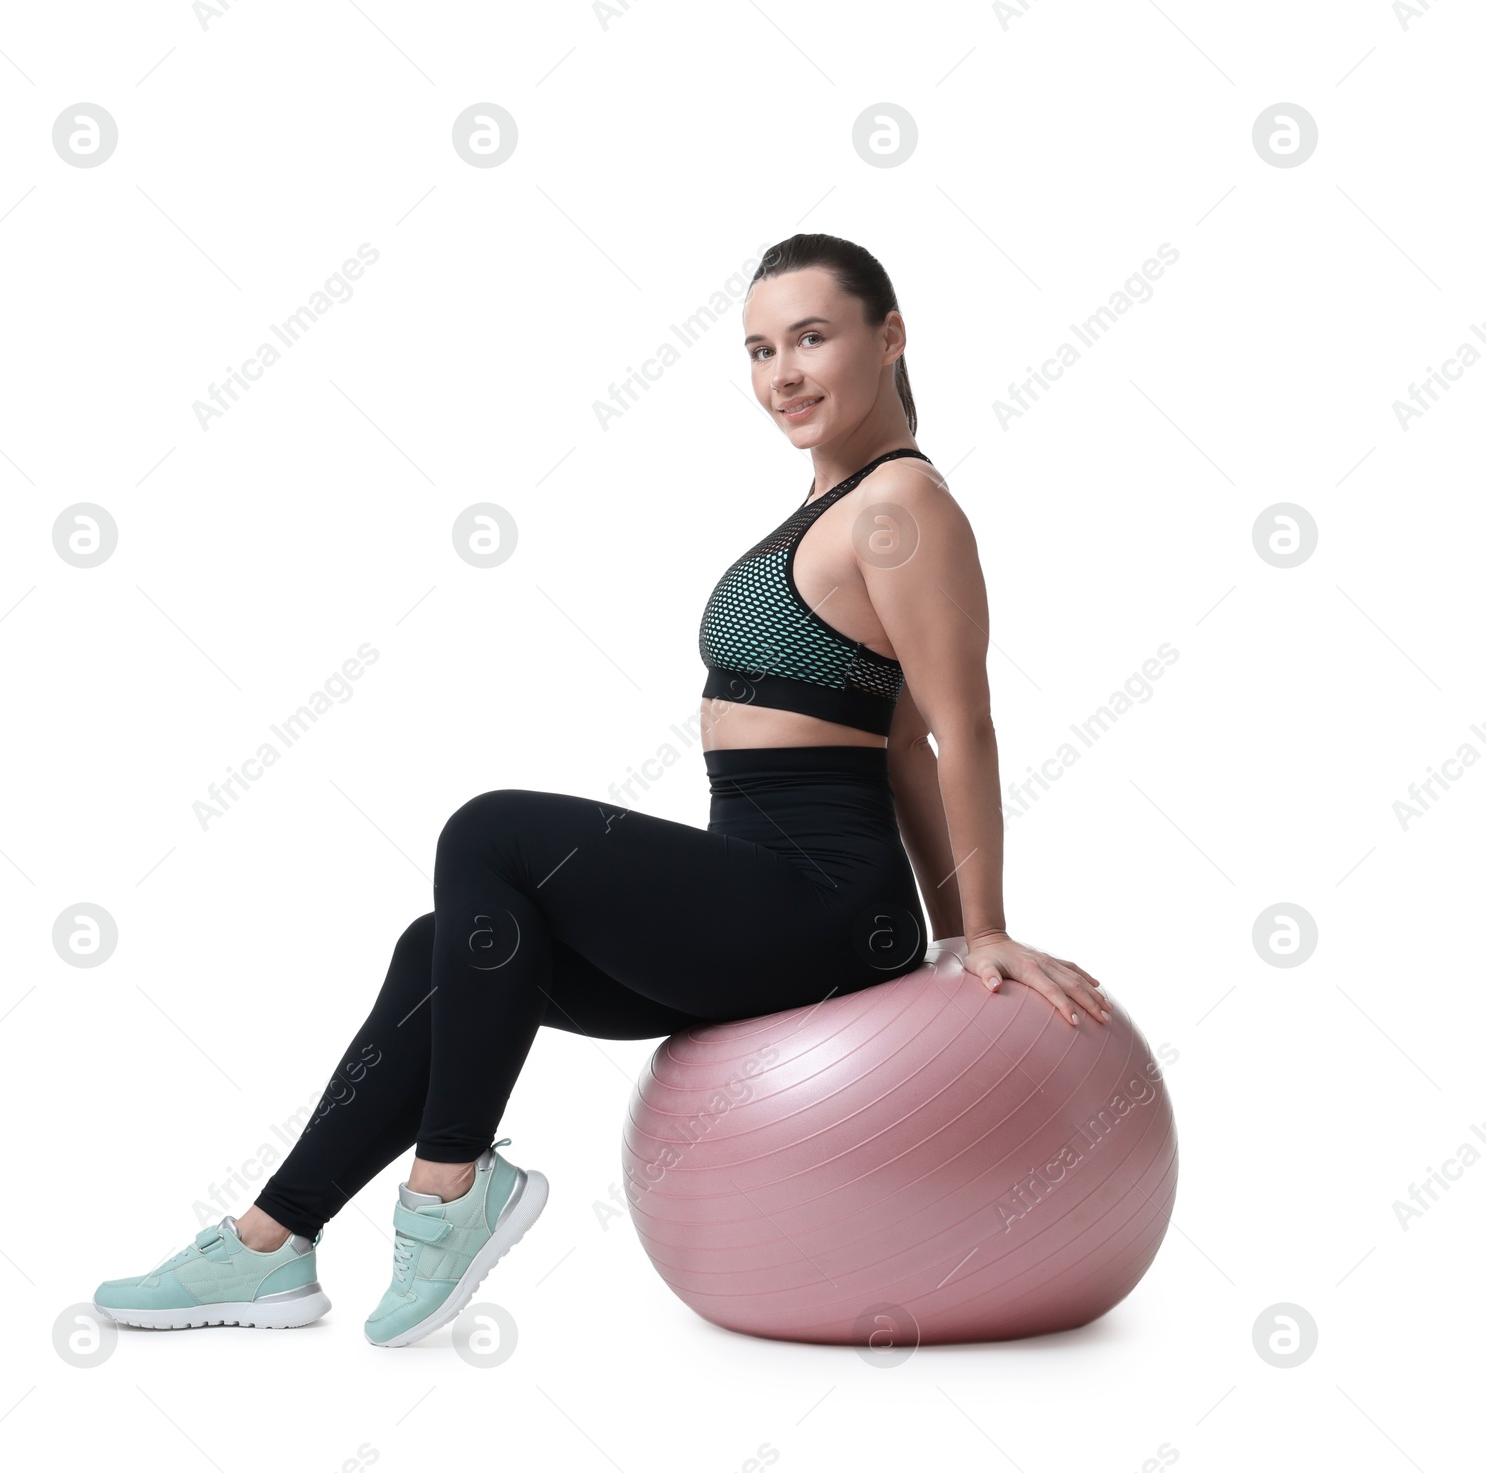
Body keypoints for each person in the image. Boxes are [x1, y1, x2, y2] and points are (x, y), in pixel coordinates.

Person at [92, 232, 1110, 1348]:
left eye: (812, 338)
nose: (783, 375)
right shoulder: (823, 509)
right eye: (761, 349)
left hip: (818, 907)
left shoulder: (898, 506)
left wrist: (981, 932)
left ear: (891, 336)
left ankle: (449, 1186)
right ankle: (268, 1242)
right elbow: (904, 747)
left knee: (491, 831)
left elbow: (955, 728)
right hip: (758, 905)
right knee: (439, 944)